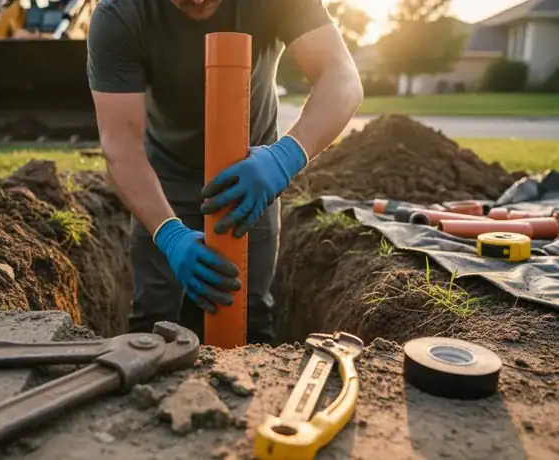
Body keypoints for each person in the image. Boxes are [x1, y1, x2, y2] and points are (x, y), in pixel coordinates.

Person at [87, 0, 363, 344]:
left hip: (252, 179)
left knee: (249, 317)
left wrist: (285, 157)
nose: (200, 2)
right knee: (153, 319)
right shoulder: (122, 13)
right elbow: (120, 146)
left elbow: (343, 78)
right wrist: (168, 235)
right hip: (162, 182)